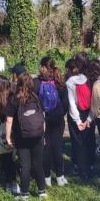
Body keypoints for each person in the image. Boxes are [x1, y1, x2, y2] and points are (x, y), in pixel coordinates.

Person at [5, 72, 48, 200]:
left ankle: (24, 194)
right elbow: (43, 117)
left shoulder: (14, 99)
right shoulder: (36, 98)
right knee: (38, 163)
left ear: (18, 83)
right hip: (38, 136)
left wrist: (8, 137)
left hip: (21, 137)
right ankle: (42, 191)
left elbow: (9, 120)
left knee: (25, 165)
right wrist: (42, 133)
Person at [37, 56, 68, 187]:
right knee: (57, 147)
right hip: (58, 119)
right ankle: (60, 176)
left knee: (46, 148)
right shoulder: (59, 82)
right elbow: (66, 104)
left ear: (43, 67)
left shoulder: (36, 82)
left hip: (43, 120)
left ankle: (47, 177)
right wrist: (60, 114)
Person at [65, 58, 92, 181]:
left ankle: (81, 171)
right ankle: (89, 167)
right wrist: (90, 118)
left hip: (77, 113)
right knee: (87, 141)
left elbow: (71, 102)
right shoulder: (87, 78)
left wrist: (77, 121)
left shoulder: (71, 81)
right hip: (87, 112)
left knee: (78, 143)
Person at [0, 76, 17, 193]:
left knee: (4, 158)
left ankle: (7, 183)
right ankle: (14, 182)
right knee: (13, 158)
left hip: (0, 132)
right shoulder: (11, 97)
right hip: (11, 130)